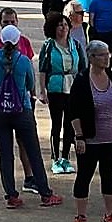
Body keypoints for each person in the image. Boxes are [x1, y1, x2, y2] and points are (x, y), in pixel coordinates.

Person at [0, 25, 61, 209]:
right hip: (22, 109)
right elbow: (29, 84)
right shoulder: (24, 60)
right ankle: (45, 193)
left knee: (5, 154)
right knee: (33, 151)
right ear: (19, 40)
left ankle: (11, 195)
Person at [0, 8, 38, 198]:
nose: (9, 24)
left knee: (23, 142)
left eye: (12, 21)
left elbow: (29, 72)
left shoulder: (25, 42)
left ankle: (29, 178)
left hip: (22, 105)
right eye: (6, 21)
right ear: (0, 22)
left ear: (17, 22)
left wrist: (32, 96)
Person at [68, 41, 112, 222]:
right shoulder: (82, 80)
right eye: (102, 55)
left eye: (107, 54)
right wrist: (79, 136)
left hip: (111, 138)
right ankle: (80, 216)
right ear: (91, 58)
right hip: (89, 139)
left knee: (109, 176)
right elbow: (73, 111)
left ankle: (110, 215)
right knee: (84, 176)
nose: (106, 58)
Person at [39, 12, 88, 176]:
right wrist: (42, 90)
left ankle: (66, 157)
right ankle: (55, 158)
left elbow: (82, 67)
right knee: (56, 124)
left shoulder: (76, 45)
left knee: (70, 124)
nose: (63, 28)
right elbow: (43, 69)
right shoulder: (49, 45)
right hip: (55, 88)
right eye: (60, 25)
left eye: (66, 25)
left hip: (72, 87)